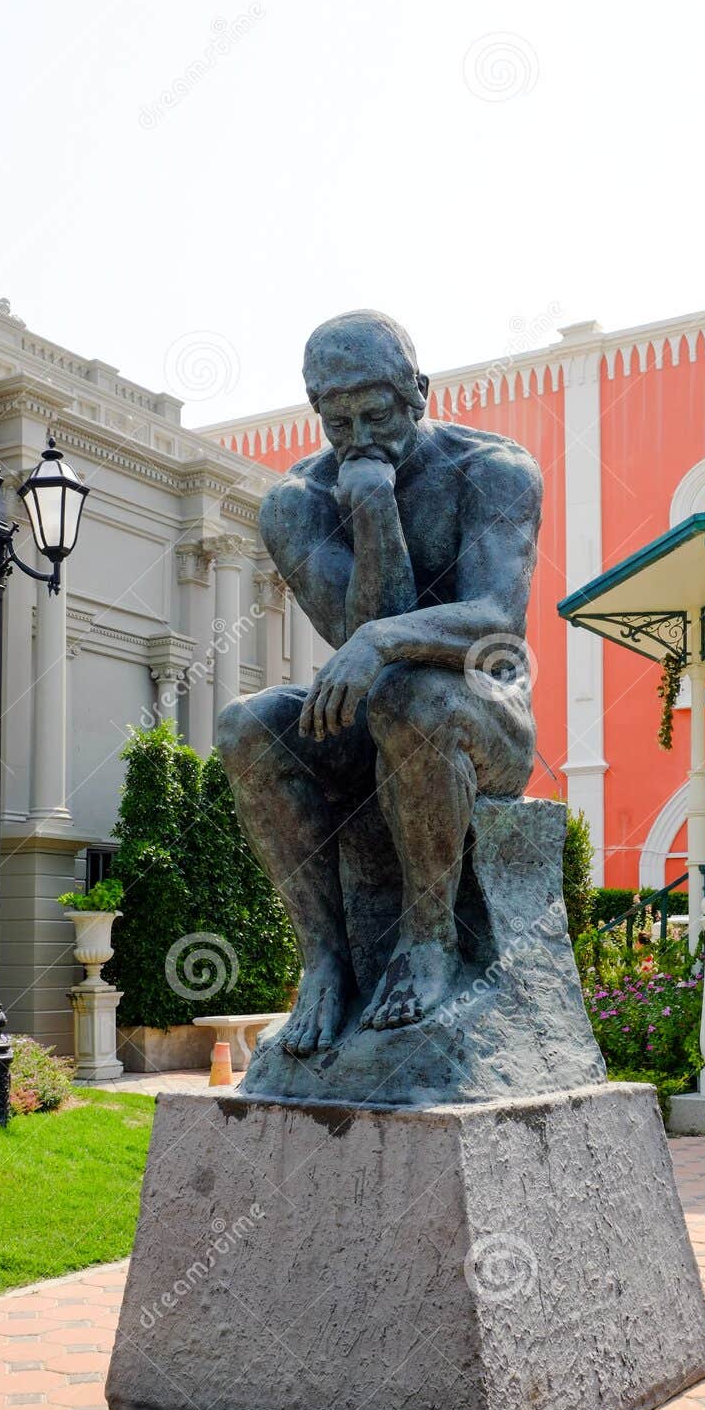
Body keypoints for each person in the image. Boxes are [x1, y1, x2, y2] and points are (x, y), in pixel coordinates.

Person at [216, 311, 540, 1054]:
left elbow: (496, 617)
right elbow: (356, 631)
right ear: (318, 413)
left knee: (414, 697)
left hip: (486, 715)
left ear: (419, 393)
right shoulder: (295, 504)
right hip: (380, 711)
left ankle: (428, 942)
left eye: (377, 414)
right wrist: (371, 509)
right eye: (339, 421)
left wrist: (381, 639)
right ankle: (324, 964)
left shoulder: (492, 469)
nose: (359, 436)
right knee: (246, 725)